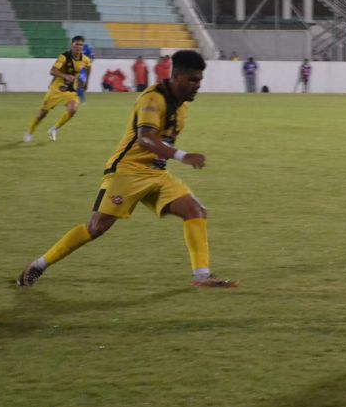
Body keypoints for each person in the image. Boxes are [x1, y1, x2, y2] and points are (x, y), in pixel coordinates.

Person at [16, 50, 238, 289]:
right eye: (193, 80)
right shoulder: (153, 99)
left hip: (156, 173)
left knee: (195, 210)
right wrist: (182, 156)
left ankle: (202, 277)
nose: (198, 86)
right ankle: (38, 265)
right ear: (176, 76)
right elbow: (145, 139)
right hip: (127, 171)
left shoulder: (182, 106)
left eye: (200, 80)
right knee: (95, 228)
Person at [24, 35, 91, 143]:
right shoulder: (64, 57)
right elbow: (52, 71)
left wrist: (86, 83)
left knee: (73, 109)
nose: (78, 47)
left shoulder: (85, 59)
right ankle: (29, 132)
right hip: (57, 89)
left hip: (71, 90)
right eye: (76, 44)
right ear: (72, 45)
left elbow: (88, 67)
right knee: (42, 114)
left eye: (81, 45)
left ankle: (54, 129)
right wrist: (65, 76)